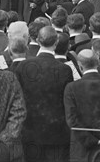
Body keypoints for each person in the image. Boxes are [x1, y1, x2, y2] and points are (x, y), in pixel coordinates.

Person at [15, 26, 73, 162]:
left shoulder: (23, 66)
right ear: (56, 42)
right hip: (56, 133)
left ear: (37, 41)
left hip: (30, 131)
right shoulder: (64, 69)